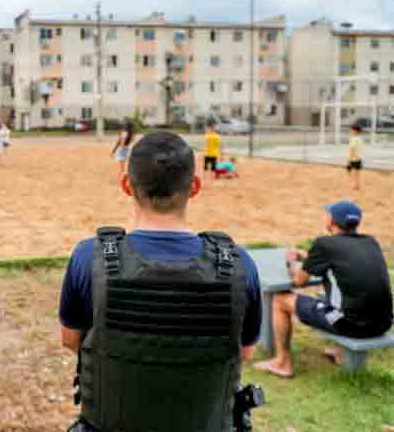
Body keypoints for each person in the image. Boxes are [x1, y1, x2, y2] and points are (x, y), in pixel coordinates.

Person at [59, 132, 263, 432]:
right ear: (194, 187)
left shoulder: (87, 258)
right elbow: (244, 352)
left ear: (127, 185)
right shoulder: (238, 264)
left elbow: (71, 340)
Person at [254, 201, 393, 378]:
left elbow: (298, 280)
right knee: (340, 295)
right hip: (382, 323)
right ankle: (339, 353)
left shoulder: (325, 244)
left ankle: (282, 362)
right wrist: (309, 257)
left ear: (332, 221)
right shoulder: (371, 242)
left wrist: (291, 262)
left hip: (352, 325)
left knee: (280, 299)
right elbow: (346, 264)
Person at [347, 124, 364, 190]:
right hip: (359, 158)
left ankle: (353, 184)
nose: (350, 131)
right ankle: (357, 184)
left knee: (350, 171)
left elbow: (352, 149)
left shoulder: (353, 139)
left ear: (355, 131)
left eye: (351, 130)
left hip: (353, 159)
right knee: (357, 172)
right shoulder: (360, 139)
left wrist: (349, 160)